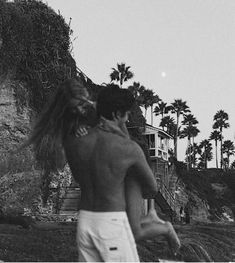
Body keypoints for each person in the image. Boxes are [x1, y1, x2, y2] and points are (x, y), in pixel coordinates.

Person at [22, 78, 180, 261]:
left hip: (86, 222)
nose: (128, 118)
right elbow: (152, 189)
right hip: (111, 226)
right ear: (118, 114)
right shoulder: (128, 149)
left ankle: (156, 223)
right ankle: (160, 225)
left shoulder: (73, 140)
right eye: (126, 114)